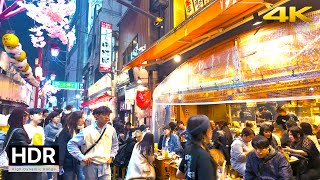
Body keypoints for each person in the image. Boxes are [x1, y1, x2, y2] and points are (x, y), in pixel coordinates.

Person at [67, 106, 119, 180]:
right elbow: (71, 144)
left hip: (105, 165)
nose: (107, 117)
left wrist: (112, 156)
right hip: (90, 164)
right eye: (104, 114)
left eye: (108, 115)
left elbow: (115, 145)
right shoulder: (87, 131)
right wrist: (82, 157)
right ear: (96, 116)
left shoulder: (111, 130)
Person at [2, 107, 42, 180]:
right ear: (21, 117)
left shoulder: (13, 128)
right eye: (26, 116)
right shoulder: (19, 131)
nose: (27, 118)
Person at [176, 115, 217, 180]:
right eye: (210, 128)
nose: (212, 130)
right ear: (206, 132)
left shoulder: (188, 148)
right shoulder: (204, 157)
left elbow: (179, 174)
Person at [58, 111, 85, 180]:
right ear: (76, 119)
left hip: (75, 161)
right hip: (67, 162)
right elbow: (61, 148)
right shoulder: (66, 131)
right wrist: (60, 163)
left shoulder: (77, 130)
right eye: (82, 118)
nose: (83, 120)